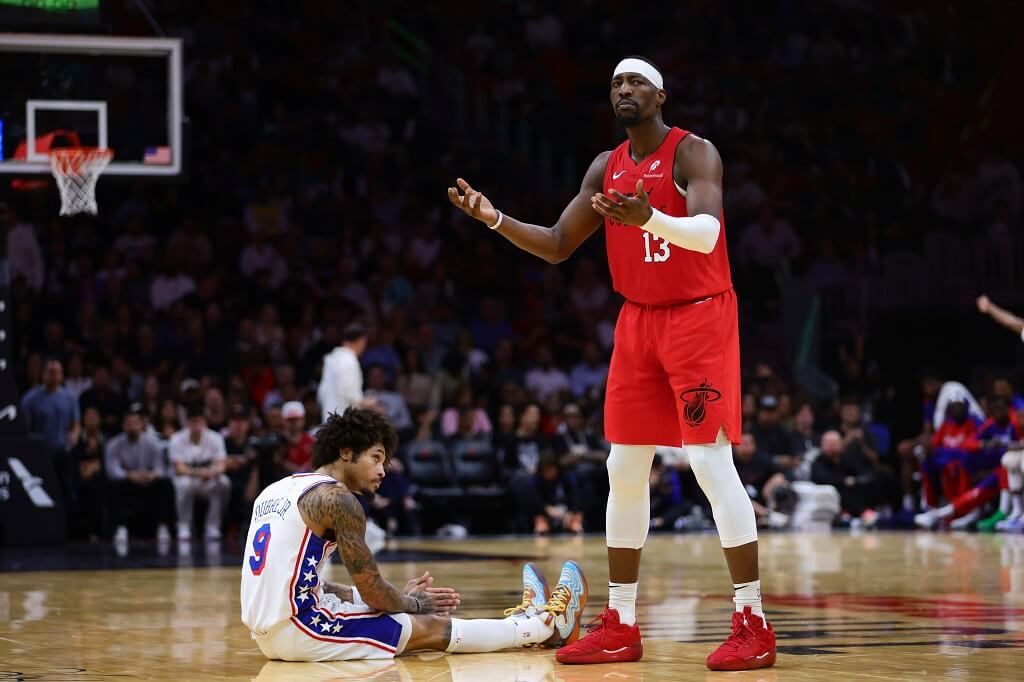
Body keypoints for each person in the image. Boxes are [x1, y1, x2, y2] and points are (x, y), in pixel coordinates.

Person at [448, 56, 774, 669]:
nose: (624, 90)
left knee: (708, 460)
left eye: (636, 82)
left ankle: (753, 620)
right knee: (622, 464)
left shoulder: (693, 153)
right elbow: (554, 245)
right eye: (616, 84)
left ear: (660, 95)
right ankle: (621, 620)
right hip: (638, 321)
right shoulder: (606, 166)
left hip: (700, 316)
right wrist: (493, 219)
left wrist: (647, 216)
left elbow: (707, 232)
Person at [239, 407, 588, 661]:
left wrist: (392, 598)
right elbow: (373, 592)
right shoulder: (337, 499)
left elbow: (303, 582)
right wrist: (410, 603)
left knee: (400, 612)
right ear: (345, 452)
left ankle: (528, 623)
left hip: (269, 634)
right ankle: (545, 627)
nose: (382, 471)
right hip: (303, 630)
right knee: (428, 625)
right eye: (376, 458)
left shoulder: (276, 490)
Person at [105, 403, 175, 543]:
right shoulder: (114, 444)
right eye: (128, 423)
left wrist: (151, 475)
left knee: (165, 484)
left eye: (135, 423)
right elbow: (112, 470)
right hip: (128, 483)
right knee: (114, 485)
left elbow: (161, 468)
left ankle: (163, 526)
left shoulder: (153, 443)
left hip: (147, 481)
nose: (132, 426)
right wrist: (130, 475)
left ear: (142, 424)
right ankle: (121, 527)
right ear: (123, 425)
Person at [169, 404, 231, 541]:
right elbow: (179, 468)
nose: (196, 425)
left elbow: (221, 465)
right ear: (187, 423)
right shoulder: (176, 439)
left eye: (199, 421)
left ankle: (213, 526)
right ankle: (184, 525)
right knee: (184, 484)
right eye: (193, 421)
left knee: (223, 482)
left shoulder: (215, 438)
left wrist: (212, 473)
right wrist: (199, 473)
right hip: (187, 478)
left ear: (204, 422)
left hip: (208, 478)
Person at [317, 322, 376, 421]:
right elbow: (349, 394)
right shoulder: (349, 360)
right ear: (360, 341)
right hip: (344, 424)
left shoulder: (332, 360)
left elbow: (321, 393)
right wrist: (365, 403)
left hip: (328, 419)